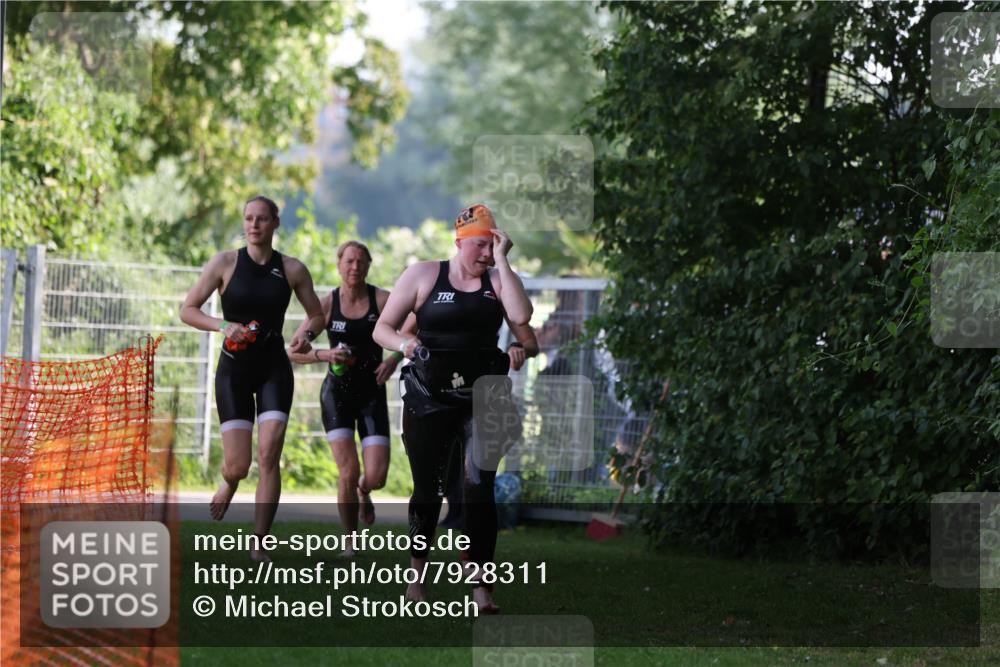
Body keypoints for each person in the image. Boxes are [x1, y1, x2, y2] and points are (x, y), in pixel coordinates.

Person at [373, 204, 533, 614]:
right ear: (460, 241)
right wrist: (404, 345)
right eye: (481, 245)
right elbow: (383, 328)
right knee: (427, 491)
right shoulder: (424, 275)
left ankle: (481, 589)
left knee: (480, 488)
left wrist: (502, 260)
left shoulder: (498, 280)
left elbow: (521, 316)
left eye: (492, 245)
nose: (485, 253)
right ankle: (416, 579)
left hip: (485, 398)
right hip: (429, 396)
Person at [180, 195, 324, 561]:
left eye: (262, 219)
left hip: (274, 369)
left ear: (275, 223)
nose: (254, 225)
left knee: (269, 454)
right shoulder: (225, 263)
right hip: (234, 372)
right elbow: (188, 310)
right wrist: (224, 325)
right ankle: (229, 483)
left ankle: (260, 542)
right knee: (239, 466)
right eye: (248, 218)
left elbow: (317, 315)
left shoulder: (292, 269)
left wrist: (306, 335)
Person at [287, 240, 400, 556]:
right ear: (339, 265)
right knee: (347, 472)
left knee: (375, 477)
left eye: (361, 262)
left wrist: (393, 360)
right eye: (349, 261)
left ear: (368, 266)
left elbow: (415, 326)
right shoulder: (326, 305)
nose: (354, 267)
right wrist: (324, 353)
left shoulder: (382, 300)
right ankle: (350, 542)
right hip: (336, 395)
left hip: (371, 395)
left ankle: (365, 491)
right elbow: (294, 351)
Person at [439, 321, 538, 529]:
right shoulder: (433, 291)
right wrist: (403, 350)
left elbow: (529, 342)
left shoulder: (498, 291)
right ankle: (457, 512)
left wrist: (517, 347)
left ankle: (473, 527)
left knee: (476, 471)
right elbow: (405, 332)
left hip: (486, 399)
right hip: (444, 393)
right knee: (448, 464)